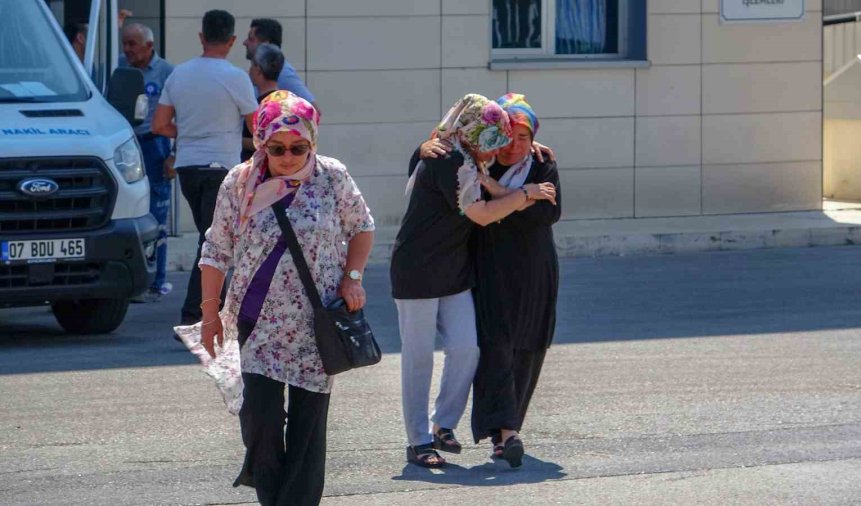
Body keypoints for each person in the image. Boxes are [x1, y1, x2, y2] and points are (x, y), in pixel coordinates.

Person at [197, 90, 374, 505]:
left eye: (299, 147)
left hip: (316, 325)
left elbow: (362, 226)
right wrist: (209, 315)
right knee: (259, 422)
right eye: (277, 148)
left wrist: (352, 277)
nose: (289, 155)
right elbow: (216, 250)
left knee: (308, 431)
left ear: (313, 142)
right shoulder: (239, 183)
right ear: (262, 143)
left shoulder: (332, 177)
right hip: (256, 324)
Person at [391, 94, 557, 468]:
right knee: (418, 360)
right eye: (497, 138)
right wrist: (526, 194)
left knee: (467, 349)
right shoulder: (447, 158)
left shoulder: (468, 156)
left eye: (515, 138)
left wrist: (529, 145)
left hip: (455, 271)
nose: (503, 146)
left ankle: (442, 425)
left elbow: (498, 115)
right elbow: (481, 215)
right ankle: (418, 441)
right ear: (474, 135)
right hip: (418, 270)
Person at [152, 9, 258, 330]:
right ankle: (195, 315)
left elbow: (159, 125)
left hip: (188, 168)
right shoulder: (236, 77)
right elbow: (257, 127)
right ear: (231, 40)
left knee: (211, 239)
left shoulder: (179, 74)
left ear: (201, 37)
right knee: (212, 243)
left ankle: (220, 312)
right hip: (221, 169)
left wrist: (188, 132)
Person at [470, 94, 560, 468]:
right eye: (507, 135)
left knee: (527, 348)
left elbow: (547, 213)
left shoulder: (542, 164)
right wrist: (523, 198)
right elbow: (479, 216)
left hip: (534, 272)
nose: (515, 146)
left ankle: (509, 431)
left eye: (523, 137)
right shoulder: (477, 163)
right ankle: (504, 431)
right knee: (495, 347)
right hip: (489, 271)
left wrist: (501, 196)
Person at [121, 23, 175, 301]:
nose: (127, 49)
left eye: (133, 44)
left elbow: (182, 115)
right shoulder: (120, 70)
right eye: (125, 43)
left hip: (155, 145)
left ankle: (158, 279)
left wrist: (173, 155)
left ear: (149, 46)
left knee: (157, 215)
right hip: (127, 146)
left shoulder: (167, 73)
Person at [242, 18, 319, 111]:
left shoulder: (282, 71)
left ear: (265, 44)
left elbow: (312, 109)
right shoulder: (263, 70)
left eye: (251, 39)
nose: (245, 42)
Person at [241, 43, 284, 163]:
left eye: (252, 65)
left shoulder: (264, 105)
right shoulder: (283, 101)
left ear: (259, 70)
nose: (249, 70)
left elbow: (269, 143)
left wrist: (236, 140)